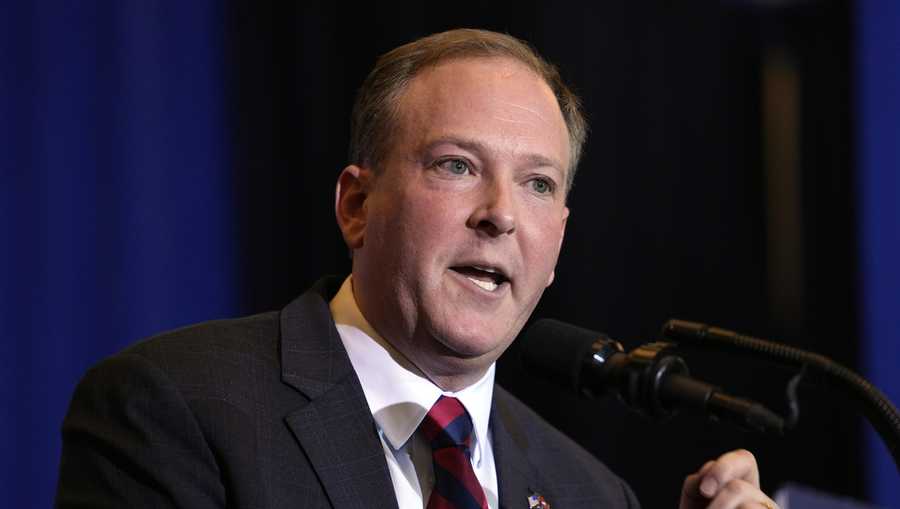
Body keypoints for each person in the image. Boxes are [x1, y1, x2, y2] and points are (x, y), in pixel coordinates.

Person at [56, 29, 778, 509]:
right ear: (357, 205)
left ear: (557, 242)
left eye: (538, 184)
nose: (500, 213)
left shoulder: (590, 492)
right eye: (457, 166)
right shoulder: (174, 409)